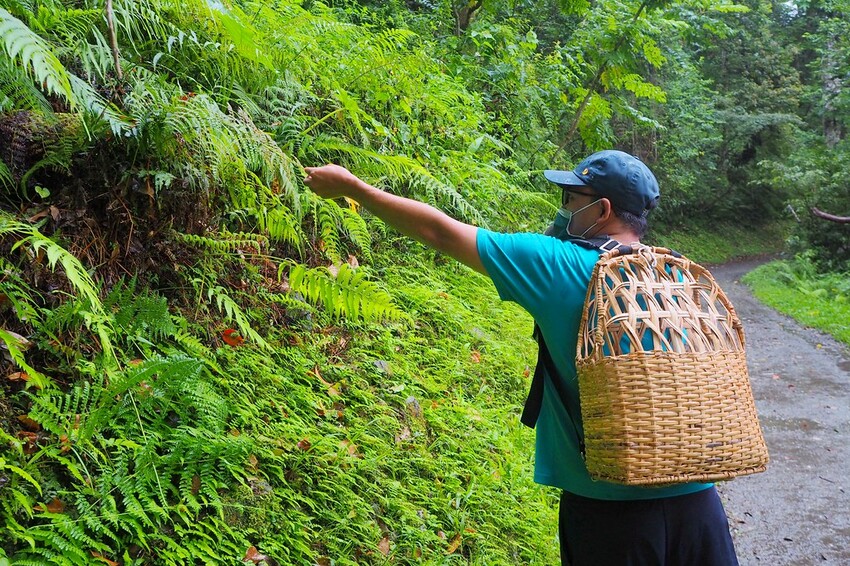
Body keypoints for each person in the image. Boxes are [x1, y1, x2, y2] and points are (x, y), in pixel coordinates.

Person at [303, 150, 739, 566]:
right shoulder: (678, 272)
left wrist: (353, 188)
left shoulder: (557, 264)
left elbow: (440, 231)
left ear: (602, 210)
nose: (564, 208)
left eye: (571, 199)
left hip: (608, 512)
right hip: (699, 504)